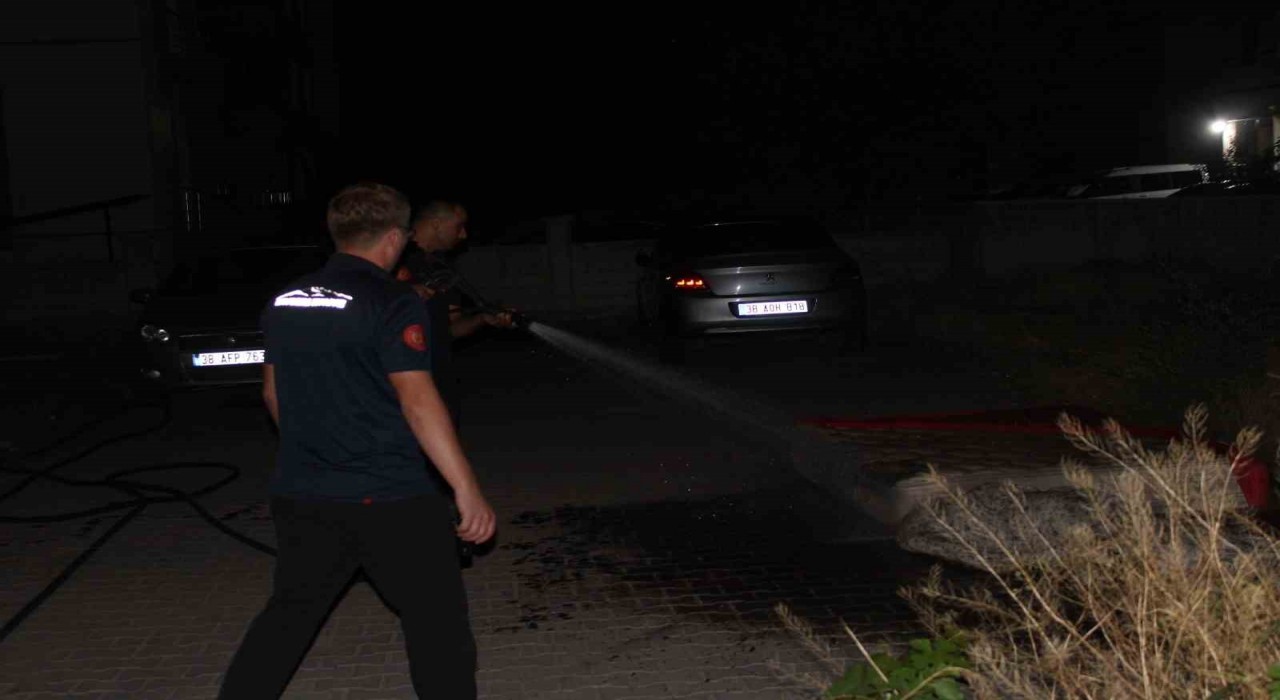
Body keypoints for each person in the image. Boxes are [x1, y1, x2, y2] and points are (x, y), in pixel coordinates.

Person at [217, 182, 496, 699]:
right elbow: (418, 400)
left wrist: (317, 449)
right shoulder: (393, 300)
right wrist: (466, 488)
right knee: (438, 627)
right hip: (392, 497)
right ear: (394, 239)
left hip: (304, 493)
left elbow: (274, 394)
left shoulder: (285, 300)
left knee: (288, 618)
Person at [395, 199, 514, 425]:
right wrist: (403, 291)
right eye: (458, 226)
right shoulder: (393, 256)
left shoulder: (443, 269)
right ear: (437, 224)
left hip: (437, 377)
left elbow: (451, 329)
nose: (463, 235)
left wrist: (483, 319)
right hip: (401, 379)